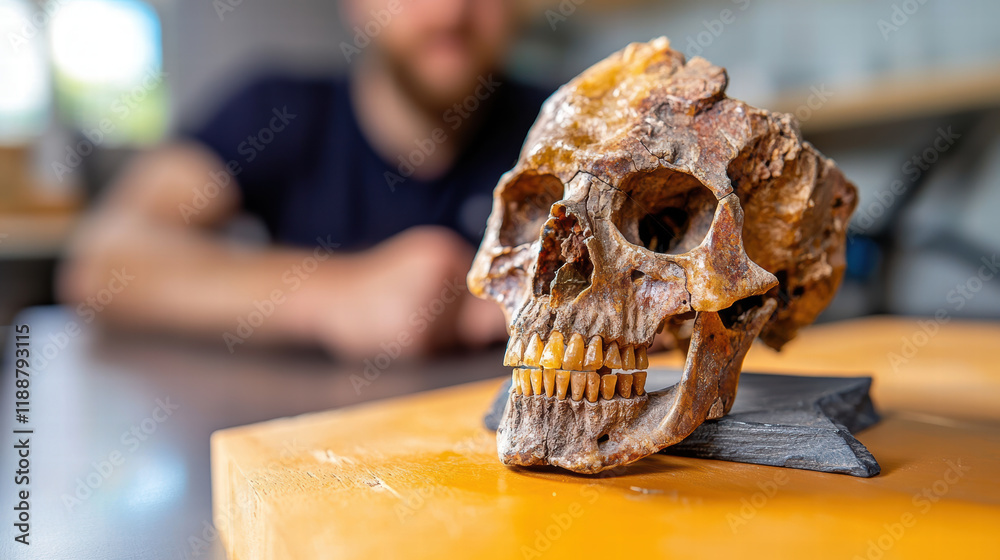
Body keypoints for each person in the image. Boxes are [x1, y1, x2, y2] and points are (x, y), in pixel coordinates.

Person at [58, 0, 549, 359]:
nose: (449, 14)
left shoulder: (571, 127)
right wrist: (338, 297)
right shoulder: (274, 112)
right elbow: (102, 261)